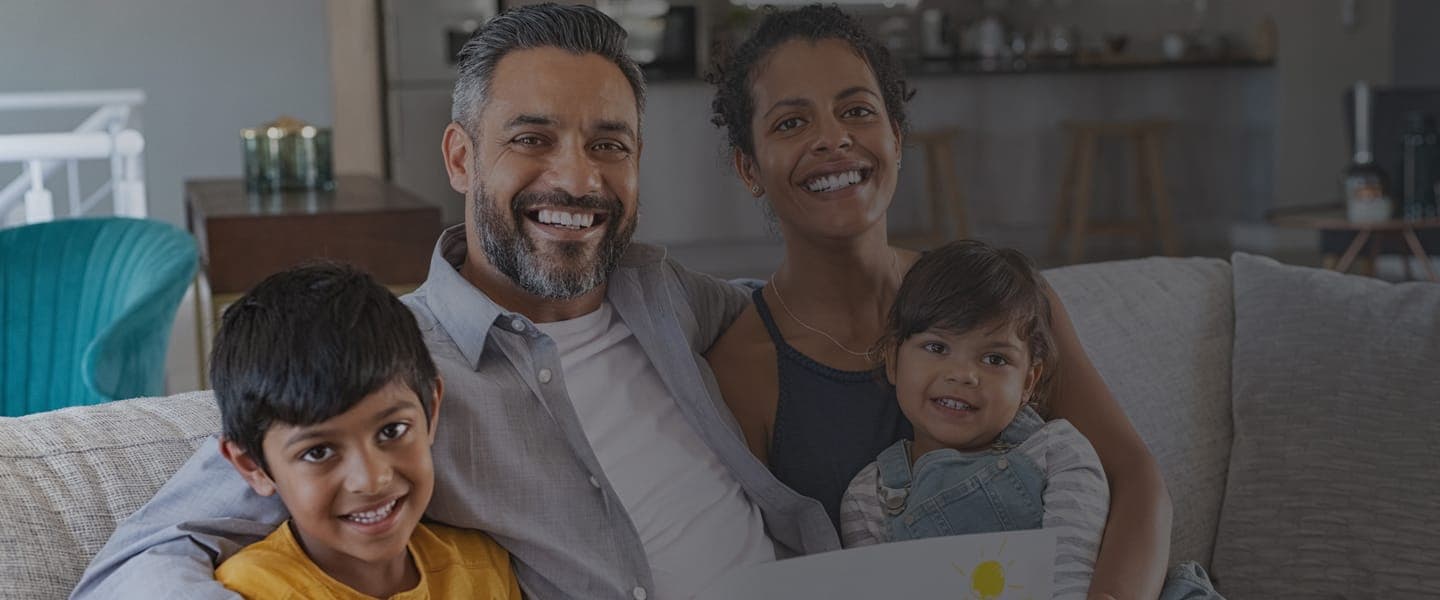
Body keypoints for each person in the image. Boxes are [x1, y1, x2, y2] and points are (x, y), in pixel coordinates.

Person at [72, 5, 835, 600]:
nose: (578, 179)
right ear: (462, 158)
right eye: (532, 139)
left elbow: (805, 320)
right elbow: (139, 558)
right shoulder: (387, 366)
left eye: (610, 145)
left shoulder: (666, 294)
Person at [704, 5, 1174, 597]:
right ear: (749, 167)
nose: (833, 138)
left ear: (896, 139)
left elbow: (1135, 480)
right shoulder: (742, 368)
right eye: (791, 124)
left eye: (857, 111)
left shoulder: (1002, 303)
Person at [208, 262, 519, 599]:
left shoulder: (482, 569)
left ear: (431, 409)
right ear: (252, 465)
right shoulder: (249, 590)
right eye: (318, 452)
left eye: (392, 431)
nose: (371, 479)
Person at [837, 241, 1109, 599]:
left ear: (1028, 381)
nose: (963, 374)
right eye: (937, 348)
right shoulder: (868, 497)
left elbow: (1071, 583)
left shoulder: (1058, 454)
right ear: (892, 360)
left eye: (995, 360)